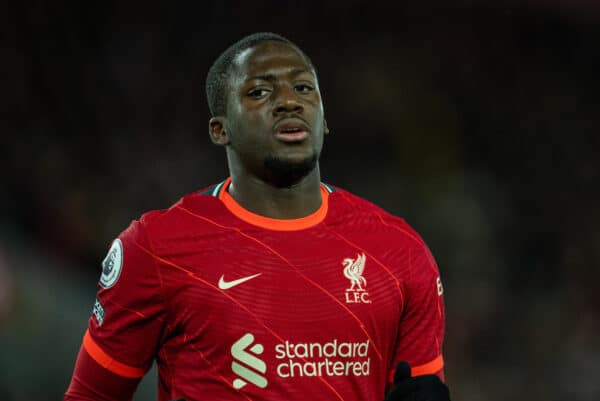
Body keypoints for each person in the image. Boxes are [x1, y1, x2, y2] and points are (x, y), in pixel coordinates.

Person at [64, 32, 450, 401]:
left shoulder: (400, 251)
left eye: (303, 88)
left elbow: (419, 388)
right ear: (220, 130)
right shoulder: (155, 248)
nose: (288, 102)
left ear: (325, 120)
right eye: (259, 92)